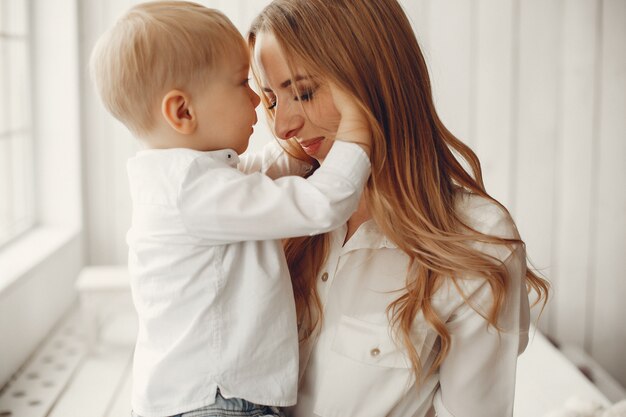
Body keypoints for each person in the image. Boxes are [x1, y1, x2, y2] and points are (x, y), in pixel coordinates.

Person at [248, 0, 550, 416]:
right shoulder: (272, 199)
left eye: (303, 92)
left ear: (370, 77)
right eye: (271, 100)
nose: (283, 126)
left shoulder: (477, 244)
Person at [89, 2, 372, 417]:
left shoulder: (183, 181)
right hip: (218, 401)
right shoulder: (192, 191)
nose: (258, 100)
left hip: (200, 396)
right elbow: (318, 205)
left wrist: (300, 140)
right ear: (183, 111)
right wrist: (356, 131)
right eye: (243, 83)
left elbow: (258, 177)